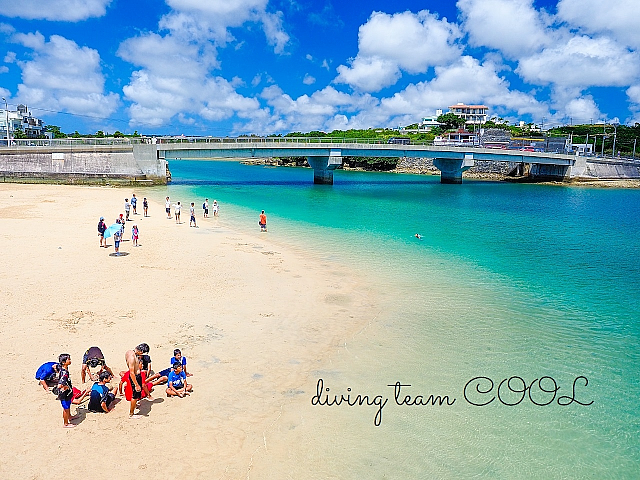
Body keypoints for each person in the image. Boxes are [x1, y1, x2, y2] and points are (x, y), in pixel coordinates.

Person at [124, 344, 152, 417]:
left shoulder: (129, 352)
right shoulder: (132, 358)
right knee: (135, 396)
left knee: (135, 395)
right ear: (140, 351)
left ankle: (134, 405)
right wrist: (136, 384)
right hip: (135, 377)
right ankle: (131, 414)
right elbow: (132, 373)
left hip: (135, 376)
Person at [56, 353, 76, 428]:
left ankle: (69, 416)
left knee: (68, 406)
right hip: (64, 394)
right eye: (68, 359)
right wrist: (65, 387)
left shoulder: (62, 368)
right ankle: (66, 423)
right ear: (64, 362)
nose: (70, 360)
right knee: (66, 409)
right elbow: (60, 385)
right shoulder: (64, 373)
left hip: (68, 393)